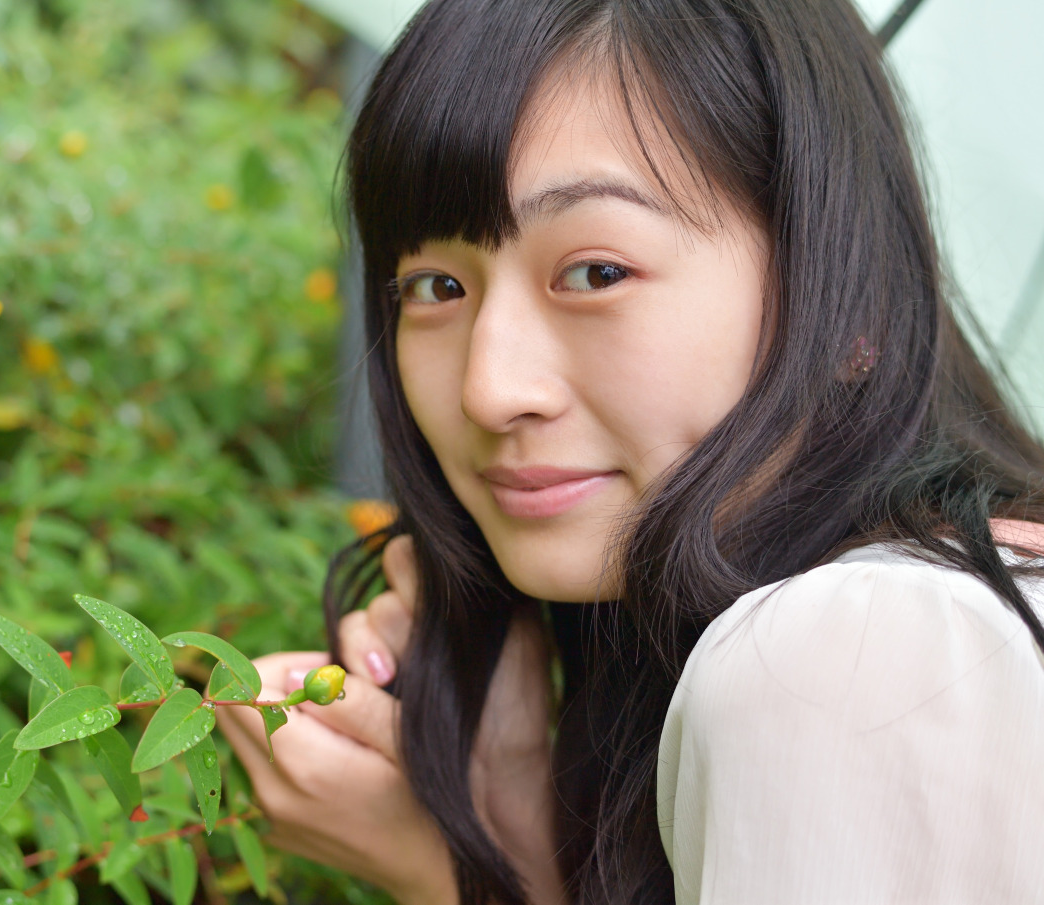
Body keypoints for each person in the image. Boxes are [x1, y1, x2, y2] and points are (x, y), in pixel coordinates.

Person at [216, 0, 1044, 902]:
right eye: (435, 284)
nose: (488, 389)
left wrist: (450, 880)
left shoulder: (849, 657)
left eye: (597, 272)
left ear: (849, 306)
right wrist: (514, 822)